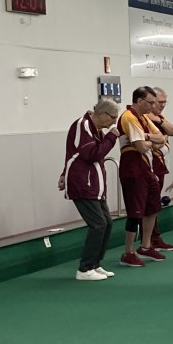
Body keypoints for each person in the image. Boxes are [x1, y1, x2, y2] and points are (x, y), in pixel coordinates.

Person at [58, 98, 120, 280]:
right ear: (101, 114)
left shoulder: (96, 130)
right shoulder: (82, 125)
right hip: (83, 185)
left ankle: (95, 264)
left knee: (107, 223)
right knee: (98, 224)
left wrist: (63, 173)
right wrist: (112, 137)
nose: (114, 122)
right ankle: (84, 269)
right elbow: (92, 154)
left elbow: (75, 154)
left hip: (95, 186)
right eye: (113, 117)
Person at [117, 86, 168, 267]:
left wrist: (146, 136)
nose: (154, 106)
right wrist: (150, 141)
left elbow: (162, 138)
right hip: (133, 170)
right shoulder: (129, 117)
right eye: (150, 103)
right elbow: (141, 147)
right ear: (139, 101)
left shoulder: (144, 118)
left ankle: (146, 246)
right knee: (135, 212)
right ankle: (128, 252)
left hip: (148, 169)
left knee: (152, 208)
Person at [147, 86, 173, 251]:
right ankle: (151, 240)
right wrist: (162, 137)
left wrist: (160, 122)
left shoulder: (159, 118)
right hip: (150, 167)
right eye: (160, 102)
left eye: (165, 102)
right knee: (150, 205)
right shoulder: (144, 119)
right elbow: (154, 143)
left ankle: (153, 238)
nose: (163, 105)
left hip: (160, 165)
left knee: (155, 203)